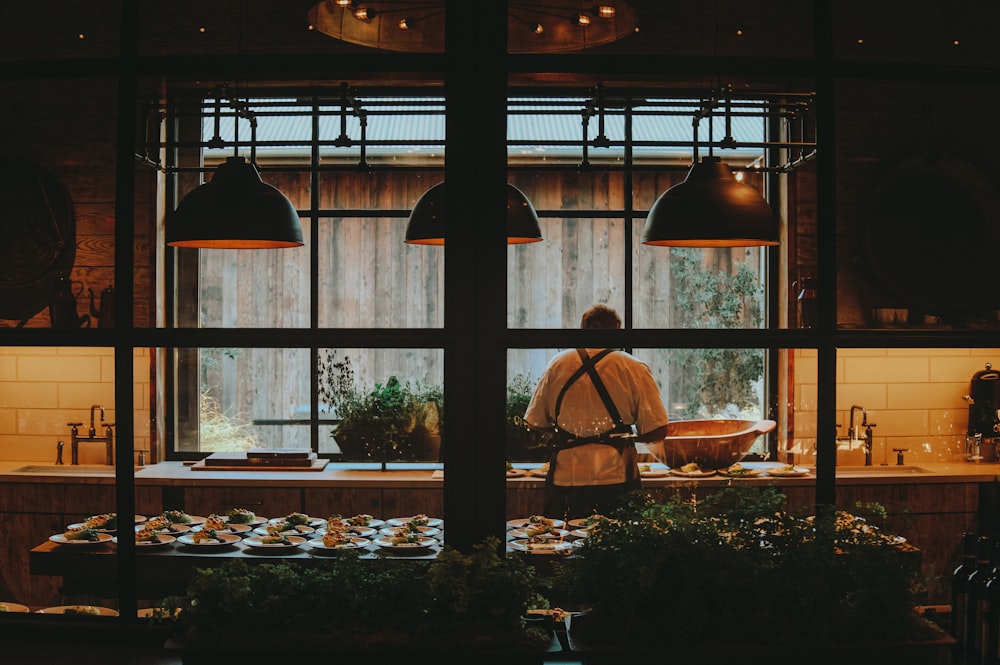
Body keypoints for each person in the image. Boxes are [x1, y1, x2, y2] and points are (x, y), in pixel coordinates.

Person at [523, 304, 669, 519]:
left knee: (566, 542)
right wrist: (623, 438)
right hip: (617, 475)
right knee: (617, 543)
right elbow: (659, 430)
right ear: (618, 328)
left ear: (583, 329)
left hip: (567, 477)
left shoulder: (557, 364)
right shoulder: (634, 367)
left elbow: (535, 422)